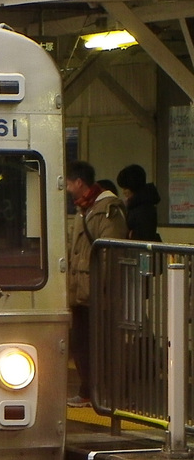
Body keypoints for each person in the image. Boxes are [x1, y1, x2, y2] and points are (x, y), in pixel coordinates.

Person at [65, 161, 128, 407]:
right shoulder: (85, 209)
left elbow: (110, 253)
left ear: (79, 183)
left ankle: (101, 393)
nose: (67, 188)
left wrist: (101, 289)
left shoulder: (107, 210)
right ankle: (88, 390)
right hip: (81, 289)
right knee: (82, 344)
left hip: (97, 292)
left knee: (99, 346)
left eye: (69, 183)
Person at [116, 164, 161, 242]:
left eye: (125, 188)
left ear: (133, 186)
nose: (124, 192)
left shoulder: (142, 208)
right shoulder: (141, 203)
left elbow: (142, 235)